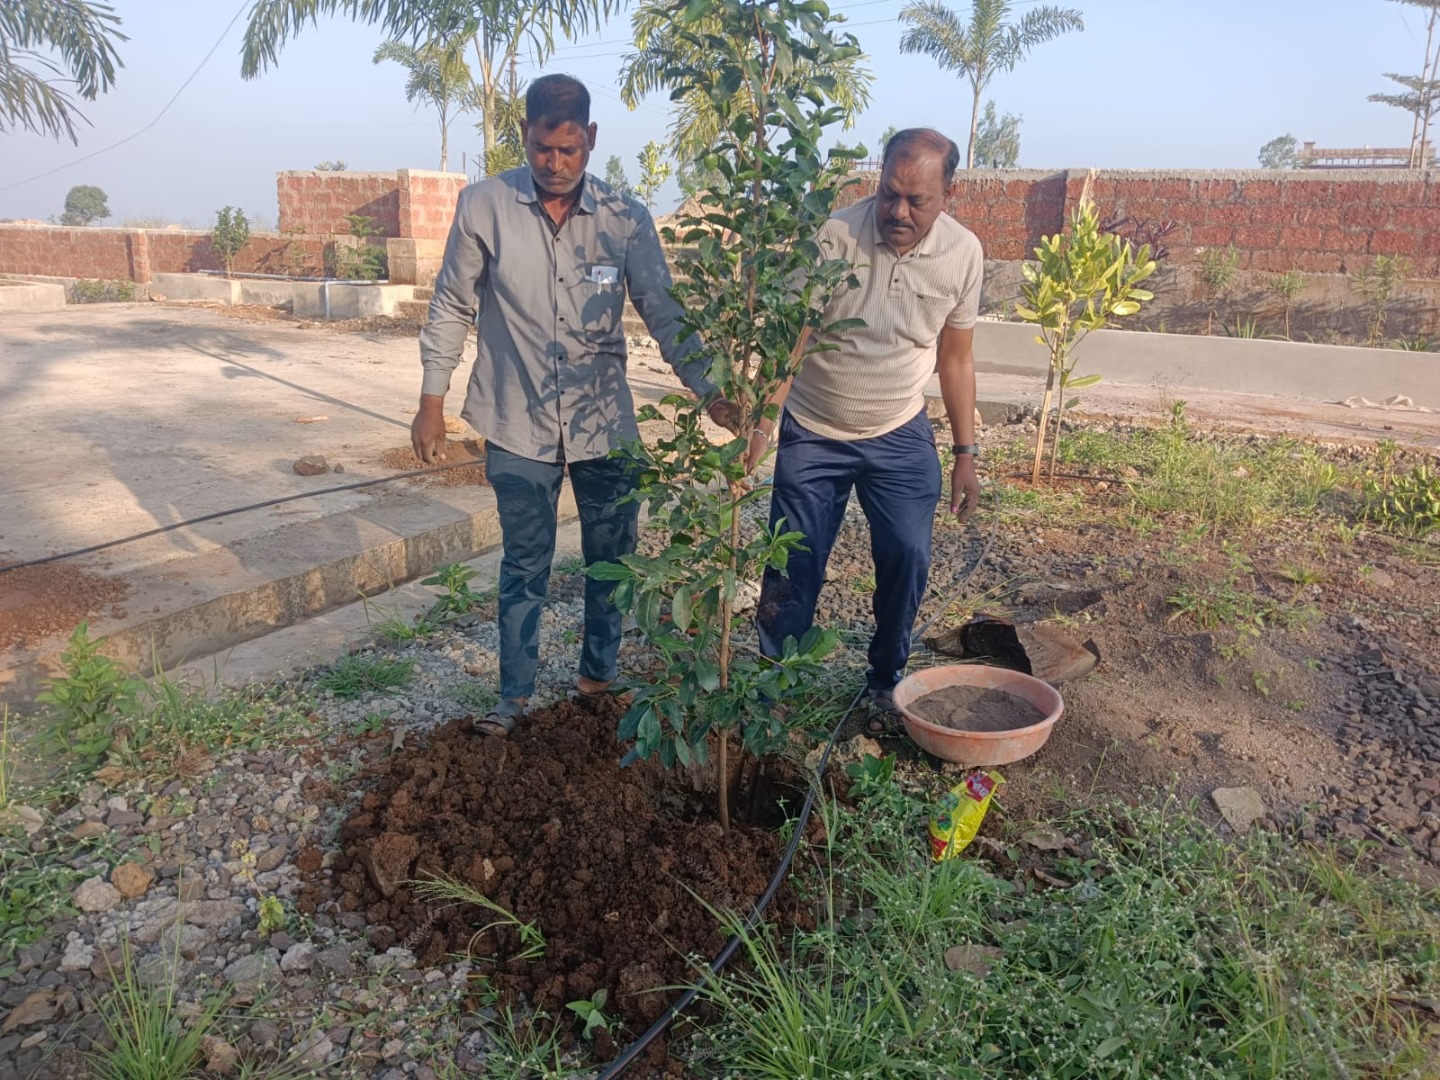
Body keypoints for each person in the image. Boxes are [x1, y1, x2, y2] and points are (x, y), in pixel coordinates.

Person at [412, 73, 737, 735]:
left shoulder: (625, 219)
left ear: (590, 138)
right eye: (542, 148)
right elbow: (450, 304)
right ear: (524, 135)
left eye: (569, 150)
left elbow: (665, 313)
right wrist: (431, 399)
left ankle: (597, 679)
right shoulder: (483, 207)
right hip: (515, 420)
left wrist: (712, 390)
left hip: (604, 426)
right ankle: (514, 699)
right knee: (524, 564)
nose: (555, 164)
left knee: (612, 562)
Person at [751, 127, 984, 733]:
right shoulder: (834, 237)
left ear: (949, 195)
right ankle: (775, 683)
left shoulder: (963, 254)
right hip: (814, 428)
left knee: (908, 553)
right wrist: (763, 422)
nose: (898, 212)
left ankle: (885, 679)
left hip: (898, 430)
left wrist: (965, 452)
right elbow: (794, 337)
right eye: (889, 194)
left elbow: (956, 358)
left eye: (916, 200)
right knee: (792, 561)